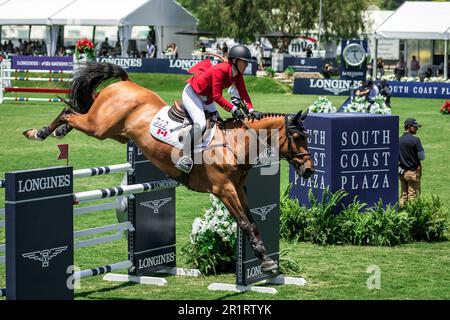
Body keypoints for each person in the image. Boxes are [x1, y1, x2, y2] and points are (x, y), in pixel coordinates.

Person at [176, 45, 259, 173]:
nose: (247, 65)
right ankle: (184, 156)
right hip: (193, 93)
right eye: (245, 62)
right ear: (235, 61)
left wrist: (252, 110)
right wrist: (233, 109)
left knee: (220, 124)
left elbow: (244, 94)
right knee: (201, 123)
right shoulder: (221, 70)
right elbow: (217, 96)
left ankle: (212, 156)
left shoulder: (237, 75)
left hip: (206, 97)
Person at [399, 118, 425, 207]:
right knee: (413, 197)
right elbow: (422, 157)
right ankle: (413, 217)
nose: (417, 129)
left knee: (403, 196)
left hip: (402, 172)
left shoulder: (398, 140)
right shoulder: (415, 140)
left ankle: (401, 214)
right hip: (413, 172)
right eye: (415, 127)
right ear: (409, 127)